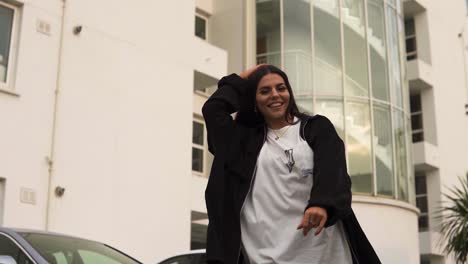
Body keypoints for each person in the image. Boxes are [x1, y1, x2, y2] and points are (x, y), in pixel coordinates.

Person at [202, 64, 381, 264]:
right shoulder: (242, 142)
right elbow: (213, 109)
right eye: (264, 91)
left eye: (281, 88)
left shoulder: (315, 128)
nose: (275, 95)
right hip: (266, 255)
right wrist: (243, 78)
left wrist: (322, 203)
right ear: (253, 98)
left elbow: (333, 169)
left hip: (322, 252)